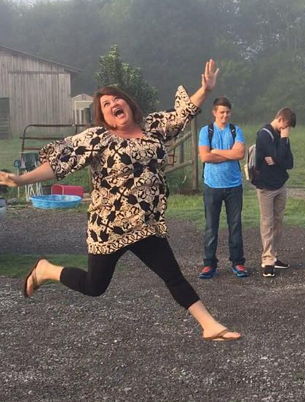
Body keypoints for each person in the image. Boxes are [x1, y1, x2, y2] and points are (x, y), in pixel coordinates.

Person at [0, 60, 241, 341]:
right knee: (94, 286)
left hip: (145, 223)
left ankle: (208, 325)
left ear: (128, 104)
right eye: (105, 104)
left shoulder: (151, 127)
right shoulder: (98, 139)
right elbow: (59, 163)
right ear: (104, 117)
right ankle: (46, 270)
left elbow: (182, 114)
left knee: (172, 275)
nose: (113, 103)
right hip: (110, 226)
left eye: (117, 99)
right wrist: (20, 179)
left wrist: (204, 89)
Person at [197, 97, 248, 279]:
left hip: (234, 185)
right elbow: (205, 157)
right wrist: (229, 155)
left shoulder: (236, 130)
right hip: (212, 185)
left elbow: (240, 153)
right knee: (211, 226)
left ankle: (238, 262)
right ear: (214, 112)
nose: (225, 115)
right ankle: (209, 264)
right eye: (221, 112)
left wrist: (216, 151)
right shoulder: (205, 131)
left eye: (227, 112)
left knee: (235, 225)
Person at [252, 107, 296, 278]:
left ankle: (274, 255)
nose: (287, 130)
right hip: (266, 186)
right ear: (281, 119)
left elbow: (289, 162)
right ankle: (267, 260)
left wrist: (277, 159)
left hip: (280, 184)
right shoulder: (264, 134)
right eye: (286, 126)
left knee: (278, 222)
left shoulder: (282, 136)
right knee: (267, 223)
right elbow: (278, 154)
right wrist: (282, 145)